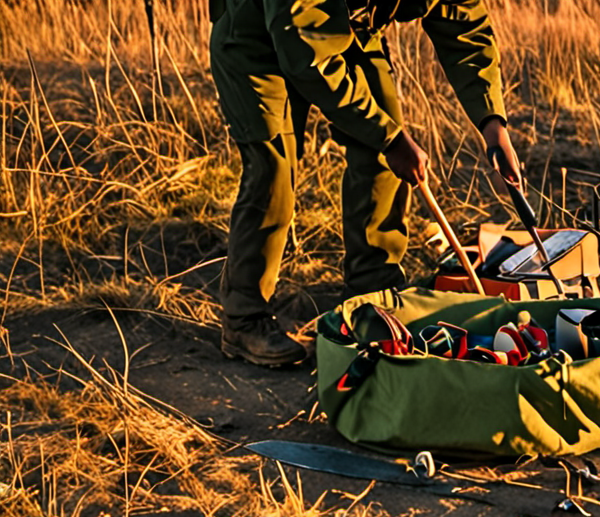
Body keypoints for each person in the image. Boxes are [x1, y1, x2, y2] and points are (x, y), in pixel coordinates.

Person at [208, 0, 521, 365]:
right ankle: (244, 319)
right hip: (256, 39)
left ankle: (372, 299)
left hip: (350, 32)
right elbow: (306, 52)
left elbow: (463, 24)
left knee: (381, 155)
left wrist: (492, 122)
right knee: (273, 169)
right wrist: (390, 139)